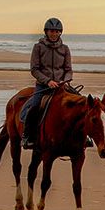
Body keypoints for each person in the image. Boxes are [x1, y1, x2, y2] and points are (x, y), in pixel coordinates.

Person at [20, 18, 72, 149]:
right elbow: (34, 69)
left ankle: (85, 137)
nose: (54, 34)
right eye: (51, 31)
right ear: (46, 32)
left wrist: (64, 81)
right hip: (43, 86)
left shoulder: (65, 49)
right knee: (34, 107)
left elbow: (68, 70)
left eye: (56, 32)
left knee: (81, 104)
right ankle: (27, 137)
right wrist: (48, 81)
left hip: (61, 86)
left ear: (60, 33)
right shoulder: (38, 47)